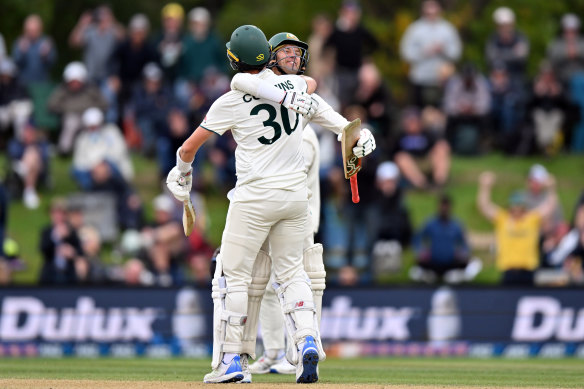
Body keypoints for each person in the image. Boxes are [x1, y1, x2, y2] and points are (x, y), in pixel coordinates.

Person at [166, 25, 375, 384]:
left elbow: (188, 148)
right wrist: (364, 136)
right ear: (268, 53)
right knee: (293, 274)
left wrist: (181, 173)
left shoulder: (231, 98)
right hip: (296, 201)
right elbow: (346, 128)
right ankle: (307, 339)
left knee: (233, 277)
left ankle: (232, 362)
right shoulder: (299, 88)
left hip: (254, 198)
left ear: (234, 58)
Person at [477, 171, 558, 285]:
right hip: (508, 270)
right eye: (515, 205)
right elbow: (485, 206)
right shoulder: (503, 219)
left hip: (528, 270)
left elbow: (549, 207)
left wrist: (551, 189)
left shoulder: (531, 219)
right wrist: (485, 187)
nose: (517, 208)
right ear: (510, 206)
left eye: (519, 205)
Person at [400, 0, 462, 108]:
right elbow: (405, 53)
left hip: (443, 82)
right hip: (420, 80)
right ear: (423, 11)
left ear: (439, 10)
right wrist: (424, 52)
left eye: (434, 11)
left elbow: (457, 53)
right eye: (428, 12)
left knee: (442, 112)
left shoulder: (448, 29)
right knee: (419, 112)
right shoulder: (415, 29)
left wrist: (443, 49)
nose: (431, 15)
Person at [410, 194, 481, 284]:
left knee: (473, 263)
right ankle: (431, 276)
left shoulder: (456, 225)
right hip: (433, 262)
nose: (444, 208)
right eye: (442, 206)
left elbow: (464, 244)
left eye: (446, 206)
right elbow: (417, 238)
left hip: (451, 262)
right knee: (416, 269)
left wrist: (464, 253)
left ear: (450, 207)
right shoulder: (430, 223)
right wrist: (420, 251)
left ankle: (452, 276)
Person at [47, 61, 108, 154]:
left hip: (88, 116)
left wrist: (92, 110)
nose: (75, 84)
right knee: (71, 122)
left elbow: (104, 104)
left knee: (93, 120)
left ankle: (95, 149)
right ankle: (64, 150)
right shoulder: (63, 90)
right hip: (71, 117)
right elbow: (52, 105)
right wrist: (66, 110)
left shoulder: (91, 90)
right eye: (72, 81)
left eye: (77, 81)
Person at [393, 106, 450, 189]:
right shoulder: (400, 136)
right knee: (401, 157)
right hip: (410, 164)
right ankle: (423, 185)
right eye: (410, 121)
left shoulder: (427, 133)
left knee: (442, 147)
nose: (412, 123)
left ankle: (439, 183)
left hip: (426, 160)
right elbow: (394, 153)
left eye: (414, 120)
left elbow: (437, 145)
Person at [11, 14, 57, 88]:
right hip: (23, 84)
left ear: (40, 30)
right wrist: (22, 52)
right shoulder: (20, 42)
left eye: (34, 30)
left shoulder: (46, 43)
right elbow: (15, 63)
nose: (32, 33)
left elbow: (51, 64)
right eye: (29, 30)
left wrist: (45, 56)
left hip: (42, 83)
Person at [486, 7, 529, 81]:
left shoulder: (520, 37)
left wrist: (500, 54)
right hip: (497, 79)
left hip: (517, 77)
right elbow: (490, 57)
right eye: (501, 26)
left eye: (507, 25)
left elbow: (522, 57)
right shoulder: (493, 39)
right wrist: (513, 53)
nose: (505, 28)